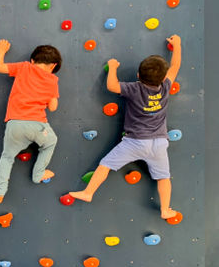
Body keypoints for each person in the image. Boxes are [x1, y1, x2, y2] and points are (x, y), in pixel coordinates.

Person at [69, 35, 182, 220]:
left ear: (138, 76)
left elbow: (112, 86)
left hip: (135, 142)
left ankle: (88, 192)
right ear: (162, 78)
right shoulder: (165, 87)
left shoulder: (134, 88)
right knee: (163, 178)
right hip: (159, 143)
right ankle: (165, 209)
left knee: (105, 165)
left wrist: (112, 67)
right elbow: (175, 66)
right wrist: (177, 45)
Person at [0, 39, 62, 203]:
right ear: (53, 66)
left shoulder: (24, 67)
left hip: (15, 124)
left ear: (32, 60)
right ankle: (38, 174)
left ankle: (0, 192)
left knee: (7, 157)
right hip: (38, 125)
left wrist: (2, 50)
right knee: (50, 143)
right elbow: (53, 107)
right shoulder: (52, 80)